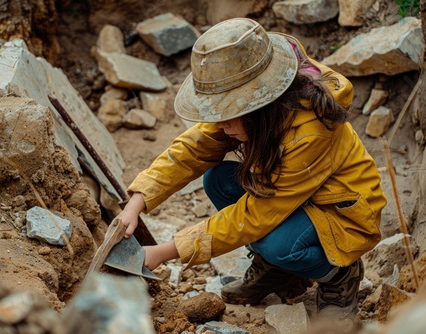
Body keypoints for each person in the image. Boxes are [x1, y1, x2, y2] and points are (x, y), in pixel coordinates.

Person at [114, 17, 387, 319]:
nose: (220, 124)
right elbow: (193, 148)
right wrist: (137, 201)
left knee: (277, 244)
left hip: (341, 212)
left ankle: (338, 275)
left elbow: (257, 215)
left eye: (227, 113)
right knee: (218, 181)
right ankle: (279, 272)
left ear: (259, 104)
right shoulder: (259, 110)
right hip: (294, 196)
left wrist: (166, 251)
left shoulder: (309, 130)